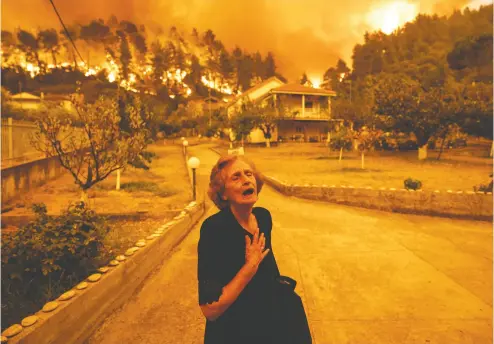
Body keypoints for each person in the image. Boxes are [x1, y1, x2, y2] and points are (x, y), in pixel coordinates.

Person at [197, 155, 281, 343]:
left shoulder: (263, 218)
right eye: (236, 177)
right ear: (223, 193)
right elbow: (210, 309)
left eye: (249, 174)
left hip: (268, 329)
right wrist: (249, 267)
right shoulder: (214, 229)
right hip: (233, 333)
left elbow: (270, 277)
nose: (246, 180)